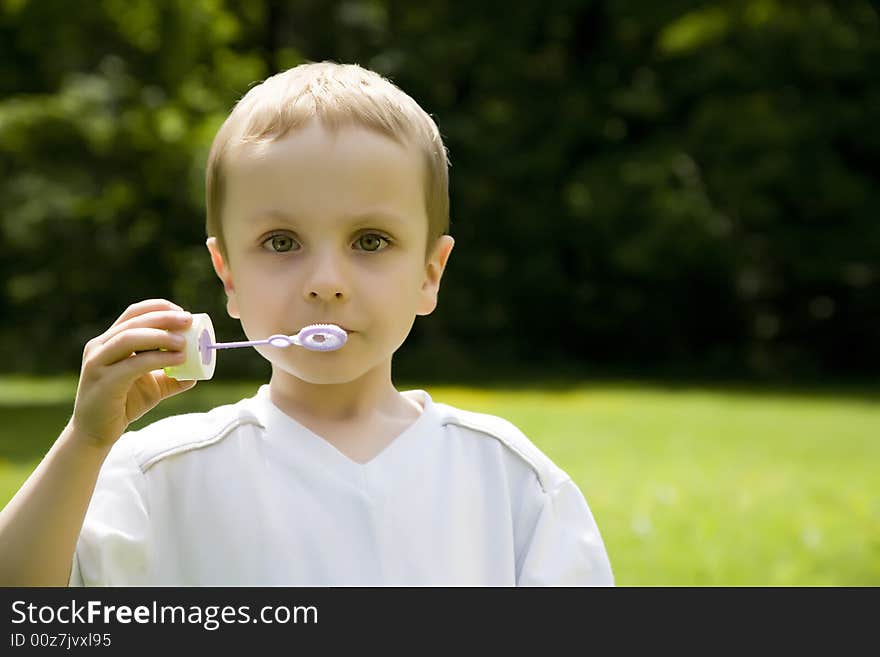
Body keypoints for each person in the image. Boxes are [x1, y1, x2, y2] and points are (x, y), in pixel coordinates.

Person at [0, 61, 614, 586]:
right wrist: (84, 443)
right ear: (229, 276)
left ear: (430, 273)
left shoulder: (508, 482)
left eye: (370, 241)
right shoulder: (156, 475)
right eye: (281, 241)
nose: (326, 280)